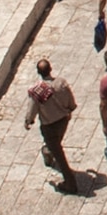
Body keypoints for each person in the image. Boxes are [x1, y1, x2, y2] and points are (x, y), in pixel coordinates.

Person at [25, 58, 80, 193]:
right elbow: (70, 100)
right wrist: (70, 108)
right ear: (50, 69)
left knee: (58, 153)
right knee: (56, 142)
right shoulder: (61, 83)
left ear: (39, 72)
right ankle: (48, 152)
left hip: (49, 125)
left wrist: (28, 121)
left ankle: (70, 183)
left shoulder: (37, 90)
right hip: (63, 121)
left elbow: (32, 109)